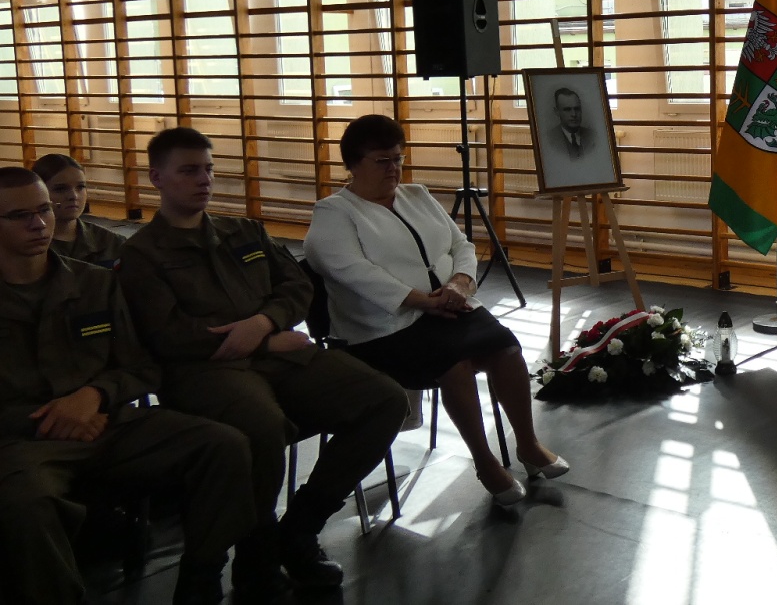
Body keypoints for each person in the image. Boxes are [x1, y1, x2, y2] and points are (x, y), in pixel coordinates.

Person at [117, 127, 408, 600]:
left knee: (384, 400)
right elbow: (168, 335)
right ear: (156, 178)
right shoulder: (142, 254)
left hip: (278, 356)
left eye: (208, 169)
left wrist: (264, 321)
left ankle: (300, 528)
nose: (204, 179)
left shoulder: (243, 230)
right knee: (262, 428)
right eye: (188, 171)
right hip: (205, 371)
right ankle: (257, 557)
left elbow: (296, 285)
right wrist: (266, 342)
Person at [0, 166, 256, 605]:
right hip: (23, 441)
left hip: (109, 422)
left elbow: (141, 366)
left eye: (43, 210)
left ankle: (200, 581)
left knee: (223, 445)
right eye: (19, 216)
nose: (39, 224)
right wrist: (55, 418)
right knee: (24, 504)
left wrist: (94, 396)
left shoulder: (94, 283)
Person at [303, 114, 567, 506]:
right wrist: (422, 301)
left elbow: (461, 245)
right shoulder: (334, 213)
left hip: (451, 306)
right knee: (453, 365)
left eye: (398, 158)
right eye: (382, 161)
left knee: (507, 349)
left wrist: (460, 283)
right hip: (383, 328)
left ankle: (528, 445)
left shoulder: (417, 195)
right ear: (353, 164)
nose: (393, 168)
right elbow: (353, 273)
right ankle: (485, 462)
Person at [31, 154, 127, 268]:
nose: (74, 196)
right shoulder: (28, 247)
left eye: (80, 187)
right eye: (60, 189)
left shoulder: (112, 243)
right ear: (38, 193)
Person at [548, 87, 594, 159]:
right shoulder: (548, 139)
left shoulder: (593, 136)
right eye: (567, 109)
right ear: (557, 112)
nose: (574, 114)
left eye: (577, 109)